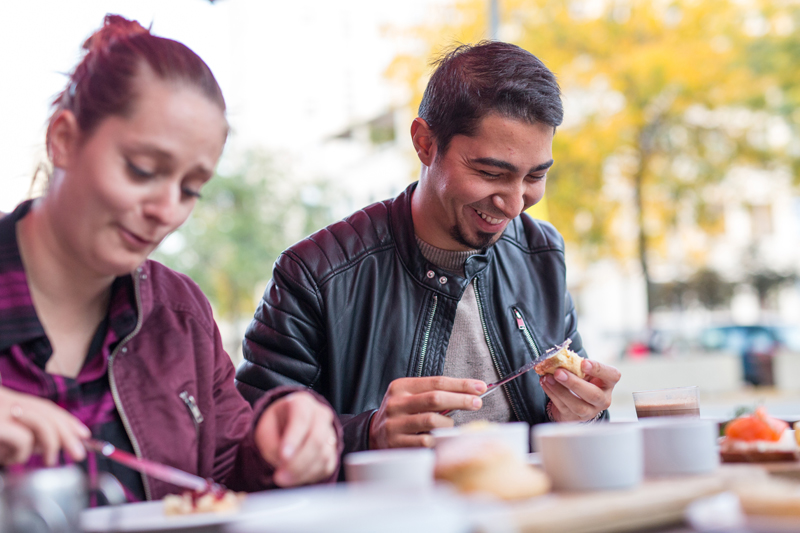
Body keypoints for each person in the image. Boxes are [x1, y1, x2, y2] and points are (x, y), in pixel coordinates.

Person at [0, 15, 340, 502]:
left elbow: (227, 478)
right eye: (142, 170)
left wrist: (281, 441)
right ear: (64, 140)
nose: (165, 211)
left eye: (190, 189)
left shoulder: (179, 314)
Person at [236, 41, 621, 454]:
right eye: (491, 172)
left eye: (534, 177)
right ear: (425, 143)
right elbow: (243, 446)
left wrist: (586, 415)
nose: (513, 205)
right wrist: (365, 434)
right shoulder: (317, 273)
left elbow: (578, 427)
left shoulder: (540, 252)